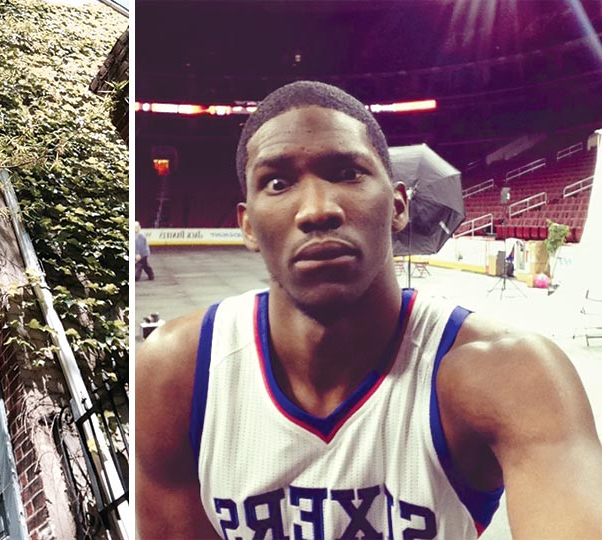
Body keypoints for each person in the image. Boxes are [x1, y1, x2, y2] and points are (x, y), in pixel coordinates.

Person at [135, 81, 602, 539]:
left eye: (347, 173)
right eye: (277, 183)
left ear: (398, 205)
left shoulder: (513, 373)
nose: (317, 210)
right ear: (248, 226)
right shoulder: (176, 374)